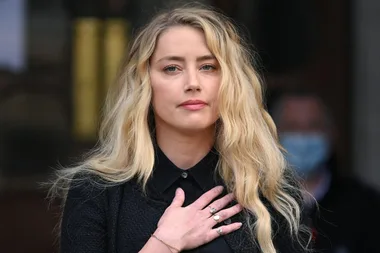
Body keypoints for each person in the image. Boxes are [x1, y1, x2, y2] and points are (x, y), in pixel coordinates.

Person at [51, 5, 311, 253]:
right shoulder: (94, 190)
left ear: (230, 82)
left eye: (208, 67)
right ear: (145, 83)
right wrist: (164, 243)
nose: (193, 83)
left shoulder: (269, 186)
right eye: (172, 68)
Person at [271, 92, 380, 253]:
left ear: (331, 133)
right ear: (273, 135)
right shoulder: (257, 203)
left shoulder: (366, 205)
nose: (302, 136)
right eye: (292, 126)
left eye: (313, 126)